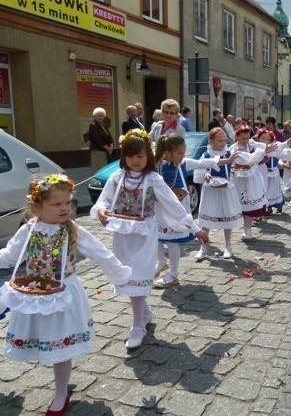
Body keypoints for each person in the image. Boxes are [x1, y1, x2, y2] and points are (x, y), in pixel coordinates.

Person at [0, 174, 131, 416]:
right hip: (36, 296)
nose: (65, 208)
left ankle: (61, 393)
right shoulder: (28, 231)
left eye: (68, 202)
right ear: (37, 206)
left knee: (61, 348)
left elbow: (101, 254)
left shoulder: (73, 231)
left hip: (63, 296)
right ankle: (61, 385)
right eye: (57, 204)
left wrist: (120, 275)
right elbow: (8, 256)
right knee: (45, 341)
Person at [91, 130, 208, 349]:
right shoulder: (118, 178)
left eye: (140, 156)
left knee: (138, 276)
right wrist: (101, 211)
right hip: (123, 235)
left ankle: (137, 325)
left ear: (149, 157)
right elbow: (102, 201)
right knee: (128, 277)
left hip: (144, 235)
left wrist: (195, 227)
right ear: (124, 156)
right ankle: (144, 312)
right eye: (131, 156)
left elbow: (173, 205)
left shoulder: (153, 179)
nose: (135, 161)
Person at [153, 133, 220, 287]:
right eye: (180, 153)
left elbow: (201, 163)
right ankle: (161, 260)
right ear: (167, 153)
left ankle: (173, 274)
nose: (183, 155)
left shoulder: (183, 163)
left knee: (172, 241)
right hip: (160, 208)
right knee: (156, 236)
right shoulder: (156, 165)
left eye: (184, 152)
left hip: (178, 209)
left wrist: (221, 160)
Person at [193, 128, 242, 260]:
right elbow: (199, 171)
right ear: (211, 141)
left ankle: (227, 246)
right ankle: (203, 247)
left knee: (227, 216)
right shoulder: (207, 155)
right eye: (219, 141)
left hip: (225, 189)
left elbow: (238, 165)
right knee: (206, 219)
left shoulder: (228, 153)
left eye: (225, 140)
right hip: (210, 190)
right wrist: (206, 174)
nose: (223, 143)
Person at [229, 126, 273, 240]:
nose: (246, 141)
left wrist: (266, 150)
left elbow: (265, 149)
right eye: (243, 138)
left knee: (249, 205)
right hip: (237, 178)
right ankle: (242, 226)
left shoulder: (253, 145)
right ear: (237, 137)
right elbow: (234, 160)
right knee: (240, 205)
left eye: (247, 138)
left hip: (251, 179)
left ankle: (247, 230)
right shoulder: (232, 148)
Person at [88, 107, 115, 173]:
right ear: (95, 116)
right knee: (99, 169)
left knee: (106, 168)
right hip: (97, 151)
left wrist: (111, 146)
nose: (101, 117)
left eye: (102, 116)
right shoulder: (92, 125)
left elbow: (110, 137)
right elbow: (97, 139)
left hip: (106, 151)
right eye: (99, 116)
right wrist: (107, 148)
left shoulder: (104, 125)